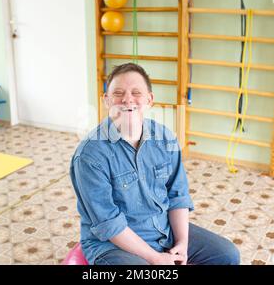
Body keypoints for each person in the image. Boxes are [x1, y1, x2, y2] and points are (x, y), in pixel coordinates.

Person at [70, 63, 240, 265]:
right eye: (118, 93)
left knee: (228, 255)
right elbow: (109, 224)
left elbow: (177, 196)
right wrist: (157, 259)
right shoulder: (90, 156)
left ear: (149, 100)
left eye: (136, 92)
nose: (127, 99)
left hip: (161, 229)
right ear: (106, 100)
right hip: (112, 245)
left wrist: (182, 243)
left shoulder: (165, 138)